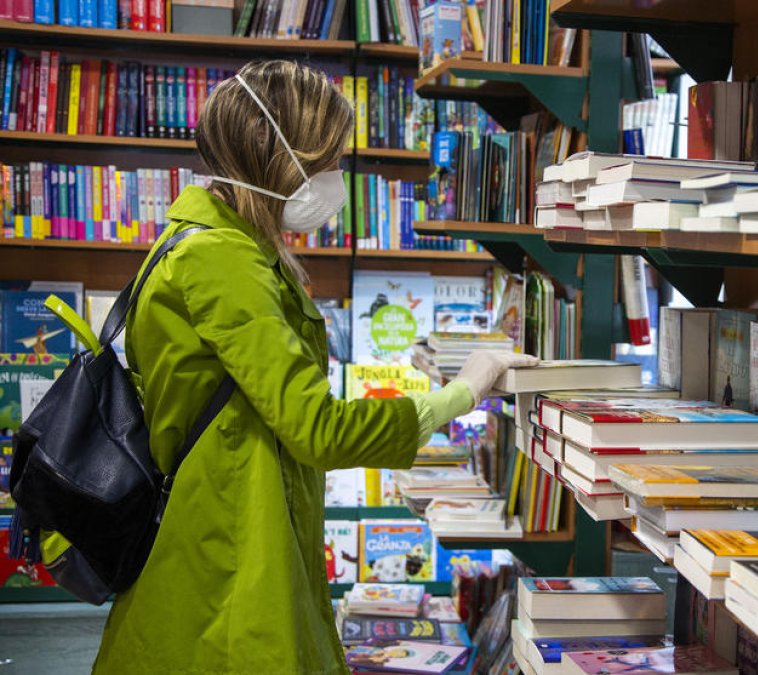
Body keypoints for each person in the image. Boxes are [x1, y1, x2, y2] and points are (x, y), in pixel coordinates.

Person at [91, 60, 536, 674]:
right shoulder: (221, 259)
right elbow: (316, 428)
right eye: (325, 161)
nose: (336, 178)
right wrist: (461, 393)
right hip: (227, 559)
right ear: (277, 158)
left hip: (222, 540)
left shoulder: (209, 241)